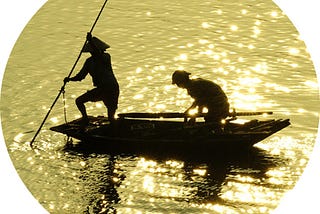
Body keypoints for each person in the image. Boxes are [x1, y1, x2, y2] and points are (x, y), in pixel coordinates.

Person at [64, 33, 119, 125]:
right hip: (101, 89)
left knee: (111, 117)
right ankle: (85, 118)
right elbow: (80, 76)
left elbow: (98, 55)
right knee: (79, 101)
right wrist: (69, 79)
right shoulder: (89, 62)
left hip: (111, 88)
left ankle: (116, 131)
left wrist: (90, 41)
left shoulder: (106, 57)